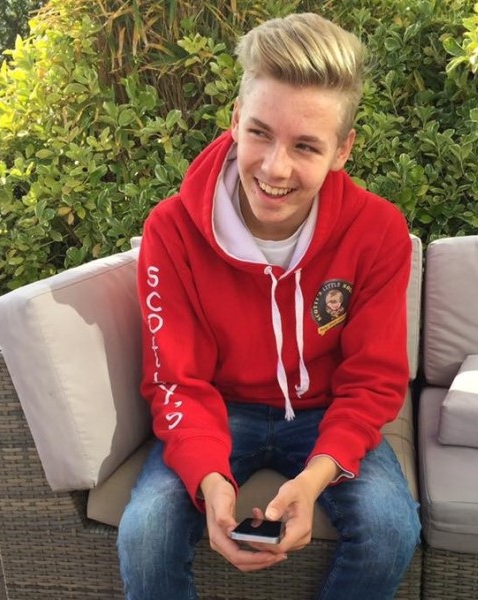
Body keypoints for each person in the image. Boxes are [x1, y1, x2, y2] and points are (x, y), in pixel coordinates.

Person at [117, 12, 421, 600]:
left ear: (342, 150)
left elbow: (373, 379)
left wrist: (315, 478)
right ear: (235, 120)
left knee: (389, 529)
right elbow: (175, 380)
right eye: (260, 133)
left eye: (306, 145)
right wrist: (210, 480)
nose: (275, 168)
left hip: (323, 412)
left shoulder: (378, 231)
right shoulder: (171, 230)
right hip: (219, 409)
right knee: (146, 533)